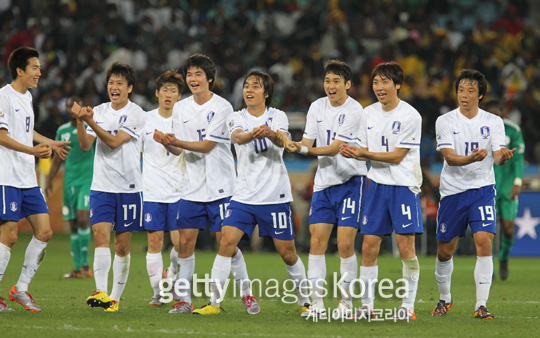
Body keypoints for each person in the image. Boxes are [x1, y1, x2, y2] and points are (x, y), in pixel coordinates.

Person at [191, 70, 311, 315]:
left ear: (266, 93)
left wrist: (272, 134)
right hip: (243, 196)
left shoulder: (277, 116)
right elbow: (237, 137)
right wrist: (253, 134)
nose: (249, 90)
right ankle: (214, 303)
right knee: (225, 243)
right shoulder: (237, 117)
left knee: (288, 254)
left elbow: (282, 140)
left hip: (274, 197)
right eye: (246, 85)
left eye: (255, 86)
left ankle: (306, 301)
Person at [154, 54, 255, 314]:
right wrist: (166, 141)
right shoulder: (181, 108)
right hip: (192, 188)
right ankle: (185, 301)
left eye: (198, 74)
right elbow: (178, 152)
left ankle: (246, 293)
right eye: (189, 75)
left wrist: (176, 141)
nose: (193, 79)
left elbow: (207, 146)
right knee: (184, 245)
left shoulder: (222, 108)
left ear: (210, 78)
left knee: (227, 246)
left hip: (221, 187)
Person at [279, 59, 367, 318]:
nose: (330, 85)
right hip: (324, 184)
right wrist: (295, 144)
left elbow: (336, 147)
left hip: (351, 182)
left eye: (336, 81)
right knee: (316, 242)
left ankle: (346, 302)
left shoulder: (355, 110)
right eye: (327, 81)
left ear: (347, 85)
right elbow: (307, 140)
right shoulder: (317, 106)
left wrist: (303, 149)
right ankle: (316, 303)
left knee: (344, 244)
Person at [340, 62, 423, 321]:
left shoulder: (411, 116)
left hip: (403, 186)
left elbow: (398, 156)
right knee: (368, 247)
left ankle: (407, 306)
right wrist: (352, 152)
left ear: (397, 84)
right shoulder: (368, 114)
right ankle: (366, 307)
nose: (379, 87)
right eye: (376, 82)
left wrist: (362, 153)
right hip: (375, 185)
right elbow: (361, 148)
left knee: (406, 247)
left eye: (385, 82)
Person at [431, 70, 514, 319]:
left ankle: (481, 305)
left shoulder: (494, 122)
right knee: (444, 251)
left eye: (470, 90)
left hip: (482, 190)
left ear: (481, 95)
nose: (464, 95)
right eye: (460, 90)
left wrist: (502, 156)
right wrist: (471, 158)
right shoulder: (445, 120)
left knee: (484, 242)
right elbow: (449, 158)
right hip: (453, 192)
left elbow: (497, 156)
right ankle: (445, 298)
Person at [0, 47, 70, 312]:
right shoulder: (3, 97)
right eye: (35, 68)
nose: (40, 73)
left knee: (45, 231)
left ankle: (20, 288)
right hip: (6, 177)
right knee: (9, 236)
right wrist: (32, 151)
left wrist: (49, 142)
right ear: (20, 70)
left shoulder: (27, 97)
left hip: (28, 178)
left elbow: (26, 131)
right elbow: (2, 136)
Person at [74, 62, 146, 313]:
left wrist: (91, 122)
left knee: (122, 246)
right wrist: (80, 122)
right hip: (102, 186)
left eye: (119, 83)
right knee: (101, 237)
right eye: (111, 83)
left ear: (130, 88)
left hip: (128, 188)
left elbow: (114, 142)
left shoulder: (137, 114)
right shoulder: (101, 111)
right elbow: (85, 146)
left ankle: (114, 298)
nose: (114, 87)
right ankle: (101, 292)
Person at [141, 70, 184, 306]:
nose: (168, 95)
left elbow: (187, 149)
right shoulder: (145, 119)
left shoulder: (184, 119)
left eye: (173, 91)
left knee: (181, 244)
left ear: (179, 96)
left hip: (179, 189)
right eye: (165, 90)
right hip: (153, 189)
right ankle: (159, 292)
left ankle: (172, 275)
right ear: (157, 93)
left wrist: (170, 142)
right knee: (155, 242)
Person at [45, 96, 94, 279]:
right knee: (73, 224)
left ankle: (86, 265)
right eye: (66, 106)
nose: (69, 109)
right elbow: (58, 157)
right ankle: (77, 268)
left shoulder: (90, 128)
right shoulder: (62, 131)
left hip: (87, 180)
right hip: (69, 181)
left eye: (72, 105)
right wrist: (49, 179)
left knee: (83, 218)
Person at [484, 100, 524, 280]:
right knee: (488, 229)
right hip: (487, 185)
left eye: (497, 114)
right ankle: (489, 268)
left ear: (503, 113)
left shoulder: (513, 130)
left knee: (508, 229)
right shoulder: (480, 128)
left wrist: (517, 181)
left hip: (507, 185)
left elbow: (518, 158)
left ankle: (504, 258)